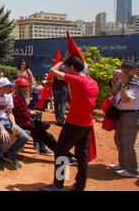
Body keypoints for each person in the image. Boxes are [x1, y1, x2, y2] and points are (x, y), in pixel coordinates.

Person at [40, 53, 99, 191]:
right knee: (82, 157)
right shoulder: (92, 82)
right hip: (87, 125)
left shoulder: (78, 80)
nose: (64, 71)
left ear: (72, 68)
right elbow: (73, 97)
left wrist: (63, 60)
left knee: (61, 152)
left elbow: (53, 71)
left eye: (66, 68)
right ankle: (79, 186)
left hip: (74, 124)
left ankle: (58, 185)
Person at [12, 78, 77, 163]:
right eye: (23, 87)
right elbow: (25, 115)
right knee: (48, 137)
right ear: (19, 88)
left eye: (26, 86)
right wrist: (32, 114)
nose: (26, 88)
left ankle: (54, 152)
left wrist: (30, 114)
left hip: (25, 122)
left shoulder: (17, 97)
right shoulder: (19, 98)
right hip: (23, 123)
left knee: (46, 135)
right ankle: (66, 156)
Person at [0, 77, 30, 170]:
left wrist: (13, 124)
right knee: (5, 139)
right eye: (9, 87)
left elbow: (10, 112)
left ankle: (10, 155)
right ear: (2, 87)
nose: (11, 89)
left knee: (24, 137)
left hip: (6, 120)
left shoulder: (8, 96)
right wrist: (2, 129)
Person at [110, 61, 139, 178]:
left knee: (128, 142)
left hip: (131, 115)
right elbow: (115, 94)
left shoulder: (136, 83)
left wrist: (123, 84)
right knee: (118, 139)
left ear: (134, 70)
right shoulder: (122, 82)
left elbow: (126, 99)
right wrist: (115, 85)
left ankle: (132, 170)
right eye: (123, 67)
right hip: (120, 114)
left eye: (128, 68)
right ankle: (123, 164)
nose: (125, 70)